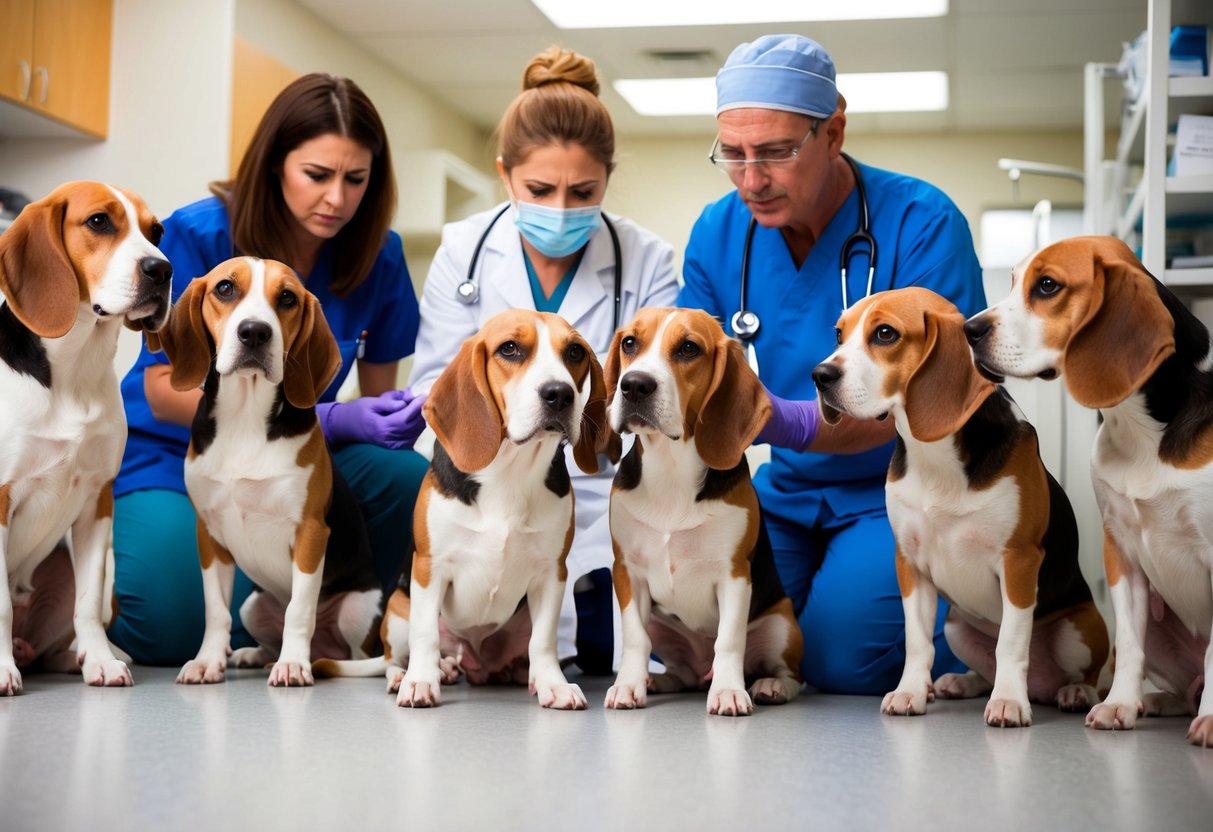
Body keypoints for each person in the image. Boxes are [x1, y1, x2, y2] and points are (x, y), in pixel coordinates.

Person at [678, 34, 988, 695]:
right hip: (784, 493)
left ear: (833, 131)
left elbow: (938, 400)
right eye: (731, 154)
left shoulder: (921, 223)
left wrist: (785, 420)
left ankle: (972, 635)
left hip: (904, 490)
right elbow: (685, 372)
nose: (751, 179)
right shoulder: (716, 233)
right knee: (720, 634)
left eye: (775, 152)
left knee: (836, 660)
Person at [110, 73, 427, 665]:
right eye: (317, 175)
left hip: (293, 449)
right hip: (179, 446)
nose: (336, 198)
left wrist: (388, 417)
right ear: (275, 165)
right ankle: (244, 614)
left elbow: (380, 398)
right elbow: (160, 388)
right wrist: (332, 416)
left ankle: (373, 629)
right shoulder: (200, 233)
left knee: (404, 476)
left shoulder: (377, 253)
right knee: (171, 625)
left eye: (355, 180)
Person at [408, 46, 679, 672]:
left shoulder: (648, 259)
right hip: (486, 483)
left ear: (608, 179)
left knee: (609, 647)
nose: (560, 209)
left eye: (583, 191)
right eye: (538, 189)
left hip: (604, 489)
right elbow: (435, 390)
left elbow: (655, 401)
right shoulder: (464, 251)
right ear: (505, 175)